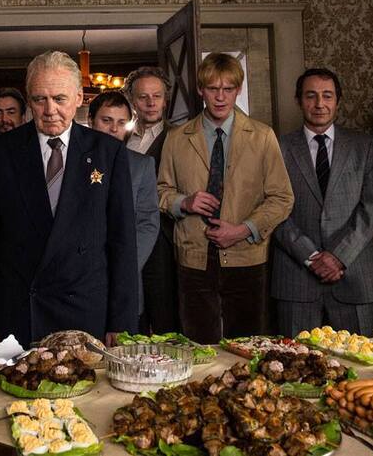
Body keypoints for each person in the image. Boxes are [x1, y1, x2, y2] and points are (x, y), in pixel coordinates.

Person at [0, 51, 138, 347]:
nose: (49, 110)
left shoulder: (108, 152)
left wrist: (121, 322)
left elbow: (122, 242)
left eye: (59, 99)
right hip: (21, 310)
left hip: (85, 309)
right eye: (39, 99)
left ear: (79, 97)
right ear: (28, 99)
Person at [158, 53, 294, 343]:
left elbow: (282, 197)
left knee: (247, 345)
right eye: (212, 88)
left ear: (238, 90)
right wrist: (184, 202)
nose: (220, 97)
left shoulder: (262, 136)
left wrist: (243, 229)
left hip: (247, 255)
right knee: (198, 346)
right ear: (200, 89)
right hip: (193, 257)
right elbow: (160, 191)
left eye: (228, 89)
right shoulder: (177, 138)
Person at [271, 68, 373, 337]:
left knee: (360, 359)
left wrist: (339, 256)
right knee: (295, 359)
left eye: (327, 96)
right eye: (311, 96)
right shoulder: (277, 147)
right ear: (298, 100)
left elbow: (372, 206)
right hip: (296, 278)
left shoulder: (365, 145)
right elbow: (272, 208)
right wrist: (310, 256)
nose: (319, 104)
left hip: (355, 275)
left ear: (338, 101)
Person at [87, 91, 159, 324]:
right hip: (78, 281)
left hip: (125, 281)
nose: (114, 129)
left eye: (121, 123)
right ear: (90, 121)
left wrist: (124, 267)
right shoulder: (70, 163)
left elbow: (148, 224)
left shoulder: (142, 165)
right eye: (106, 120)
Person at [123, 66, 180, 333]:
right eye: (143, 96)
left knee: (163, 316)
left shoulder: (181, 137)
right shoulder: (120, 138)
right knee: (131, 313)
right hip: (126, 237)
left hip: (164, 240)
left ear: (165, 100)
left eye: (157, 96)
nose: (151, 102)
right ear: (132, 100)